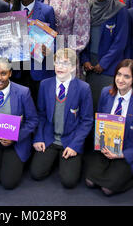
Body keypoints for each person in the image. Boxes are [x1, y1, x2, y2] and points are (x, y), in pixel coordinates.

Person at [84, 59, 133, 195]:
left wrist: (122, 154)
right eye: (119, 74)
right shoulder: (106, 93)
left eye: (126, 76)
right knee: (89, 182)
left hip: (128, 152)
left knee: (107, 189)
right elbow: (99, 123)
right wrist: (101, 144)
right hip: (106, 148)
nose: (121, 79)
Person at [31, 48, 93, 188]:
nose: (60, 67)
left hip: (70, 140)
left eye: (65, 63)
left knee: (69, 182)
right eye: (57, 63)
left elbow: (87, 121)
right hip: (50, 138)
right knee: (36, 173)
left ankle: (67, 158)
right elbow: (40, 114)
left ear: (73, 67)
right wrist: (39, 138)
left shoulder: (84, 88)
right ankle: (53, 159)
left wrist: (74, 146)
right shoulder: (45, 85)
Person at [0, 57, 39, 189]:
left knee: (8, 183)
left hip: (15, 143)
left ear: (10, 73)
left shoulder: (23, 92)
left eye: (3, 73)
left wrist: (15, 136)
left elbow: (33, 120)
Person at [82, 0, 129, 112]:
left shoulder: (120, 9)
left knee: (106, 106)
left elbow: (120, 42)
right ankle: (90, 134)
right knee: (90, 105)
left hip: (109, 66)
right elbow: (83, 34)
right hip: (90, 66)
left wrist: (103, 64)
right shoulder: (88, 6)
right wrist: (85, 59)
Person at [11, 0, 56, 101]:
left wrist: (49, 49)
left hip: (39, 69)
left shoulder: (47, 11)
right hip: (18, 71)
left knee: (38, 106)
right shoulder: (10, 11)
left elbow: (54, 39)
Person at [44, 0, 90, 76]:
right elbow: (44, 25)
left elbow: (82, 31)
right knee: (51, 87)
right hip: (50, 49)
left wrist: (68, 54)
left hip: (69, 51)